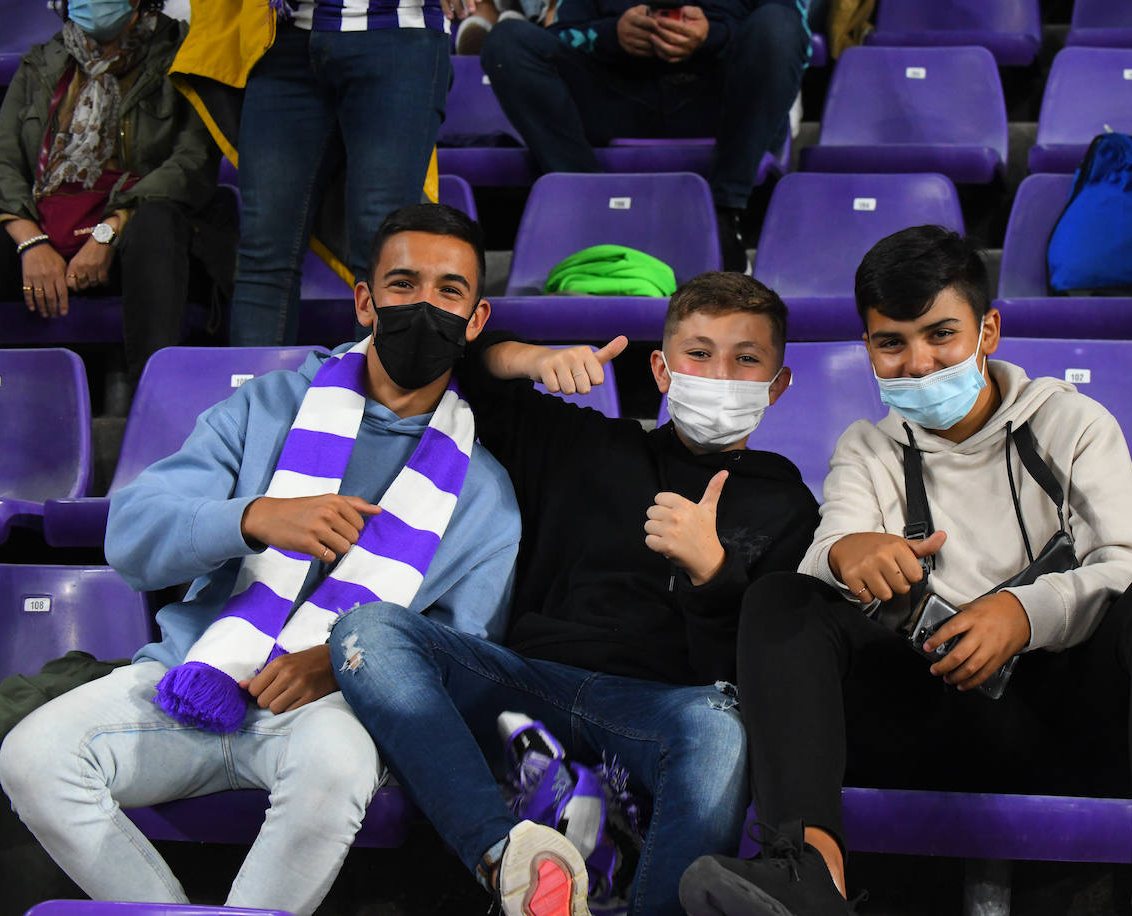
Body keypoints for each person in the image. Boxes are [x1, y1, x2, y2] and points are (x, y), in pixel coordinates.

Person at [679, 227, 1132, 916]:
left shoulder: (1071, 423)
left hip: (1065, 717)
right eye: (892, 343)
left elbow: (1130, 567)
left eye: (940, 334)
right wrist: (846, 554)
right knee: (782, 598)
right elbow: (828, 556)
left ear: (988, 330)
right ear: (869, 350)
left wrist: (1024, 614)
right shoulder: (868, 447)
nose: (917, 364)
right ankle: (804, 873)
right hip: (928, 713)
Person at [0, 203, 522, 916]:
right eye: (402, 285)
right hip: (193, 681)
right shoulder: (266, 408)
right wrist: (252, 518)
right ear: (365, 299)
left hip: (328, 711)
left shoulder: (484, 489)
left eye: (448, 291)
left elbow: (467, 659)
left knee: (337, 766)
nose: (423, 306)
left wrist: (345, 665)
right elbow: (131, 536)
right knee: (32, 756)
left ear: (477, 318)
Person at [330, 270, 821, 915]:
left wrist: (714, 575)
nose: (720, 375)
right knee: (368, 632)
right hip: (531, 680)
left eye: (746, 359)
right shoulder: (586, 444)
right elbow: (461, 363)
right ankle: (512, 862)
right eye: (699, 354)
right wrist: (533, 358)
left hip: (662, 709)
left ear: (777, 385)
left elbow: (756, 677)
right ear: (662, 368)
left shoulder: (789, 503)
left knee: (720, 728)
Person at [479, 0, 809, 272]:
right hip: (618, 101)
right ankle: (586, 200)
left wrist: (714, 36)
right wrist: (610, 35)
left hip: (717, 106)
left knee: (779, 23)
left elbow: (792, 39)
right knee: (507, 40)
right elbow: (562, 36)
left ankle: (723, 214)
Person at [0, 0, 232, 381]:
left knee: (155, 225)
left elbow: (192, 161)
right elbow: (3, 159)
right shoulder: (41, 64)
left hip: (141, 235)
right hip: (49, 231)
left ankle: (152, 400)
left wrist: (109, 229)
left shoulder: (184, 52)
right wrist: (31, 241)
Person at [223, 0, 455, 346]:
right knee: (264, 247)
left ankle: (379, 398)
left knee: (380, 248)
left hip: (398, 30)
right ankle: (251, 398)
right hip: (280, 35)